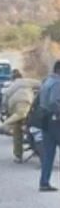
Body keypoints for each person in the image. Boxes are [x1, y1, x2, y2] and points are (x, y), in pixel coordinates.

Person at [0, 69, 40, 162]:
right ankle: (37, 149)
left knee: (17, 132)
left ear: (12, 78)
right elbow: (42, 85)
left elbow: (4, 100)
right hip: (27, 103)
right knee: (33, 125)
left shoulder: (11, 86)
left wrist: (4, 111)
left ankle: (18, 155)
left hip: (13, 106)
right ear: (21, 76)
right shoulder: (28, 81)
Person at [38, 61, 60, 192]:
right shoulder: (57, 83)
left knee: (48, 154)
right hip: (55, 121)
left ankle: (44, 182)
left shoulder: (47, 81)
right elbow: (54, 102)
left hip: (45, 120)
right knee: (49, 153)